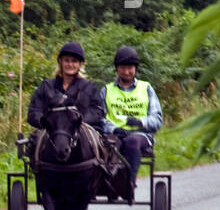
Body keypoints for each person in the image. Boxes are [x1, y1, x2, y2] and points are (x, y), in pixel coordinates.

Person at [101, 45, 162, 193]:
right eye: (122, 68)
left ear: (135, 68)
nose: (127, 72)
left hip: (140, 135)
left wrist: (141, 122)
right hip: (115, 134)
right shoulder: (106, 90)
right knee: (109, 144)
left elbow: (157, 120)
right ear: (117, 69)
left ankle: (130, 183)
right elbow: (99, 118)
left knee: (132, 142)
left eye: (130, 68)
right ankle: (109, 182)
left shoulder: (146, 88)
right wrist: (113, 128)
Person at [27, 41, 107, 131]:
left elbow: (98, 111)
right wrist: (44, 121)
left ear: (80, 64)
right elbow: (34, 111)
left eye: (74, 61)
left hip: (80, 131)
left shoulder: (89, 87)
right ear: (61, 62)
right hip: (51, 131)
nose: (70, 64)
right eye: (66, 60)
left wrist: (79, 120)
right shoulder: (47, 86)